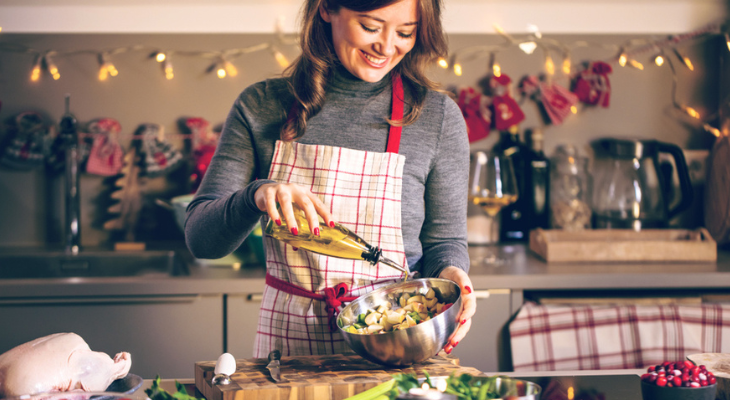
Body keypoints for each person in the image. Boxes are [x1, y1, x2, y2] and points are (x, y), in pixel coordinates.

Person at [185, 0, 475, 358]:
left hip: (399, 343)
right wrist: (255, 196)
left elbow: (444, 240)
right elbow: (201, 240)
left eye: (405, 32)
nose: (386, 46)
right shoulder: (261, 106)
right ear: (327, 9)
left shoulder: (437, 117)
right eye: (370, 26)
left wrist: (452, 274)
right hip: (289, 354)